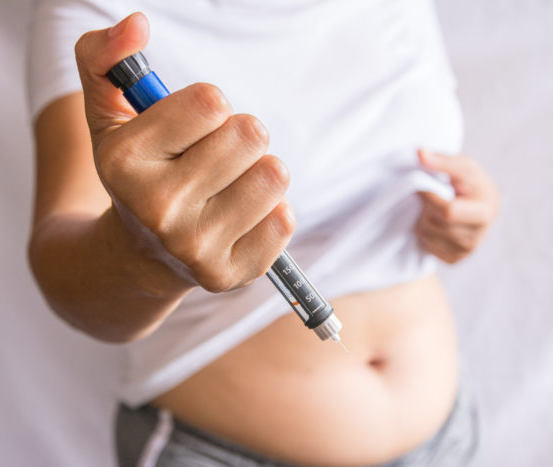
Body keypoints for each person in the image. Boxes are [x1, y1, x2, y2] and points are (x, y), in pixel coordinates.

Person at [28, 1, 499, 466]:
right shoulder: (103, 18)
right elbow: (65, 273)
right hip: (224, 450)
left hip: (448, 438)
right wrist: (142, 254)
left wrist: (461, 219)